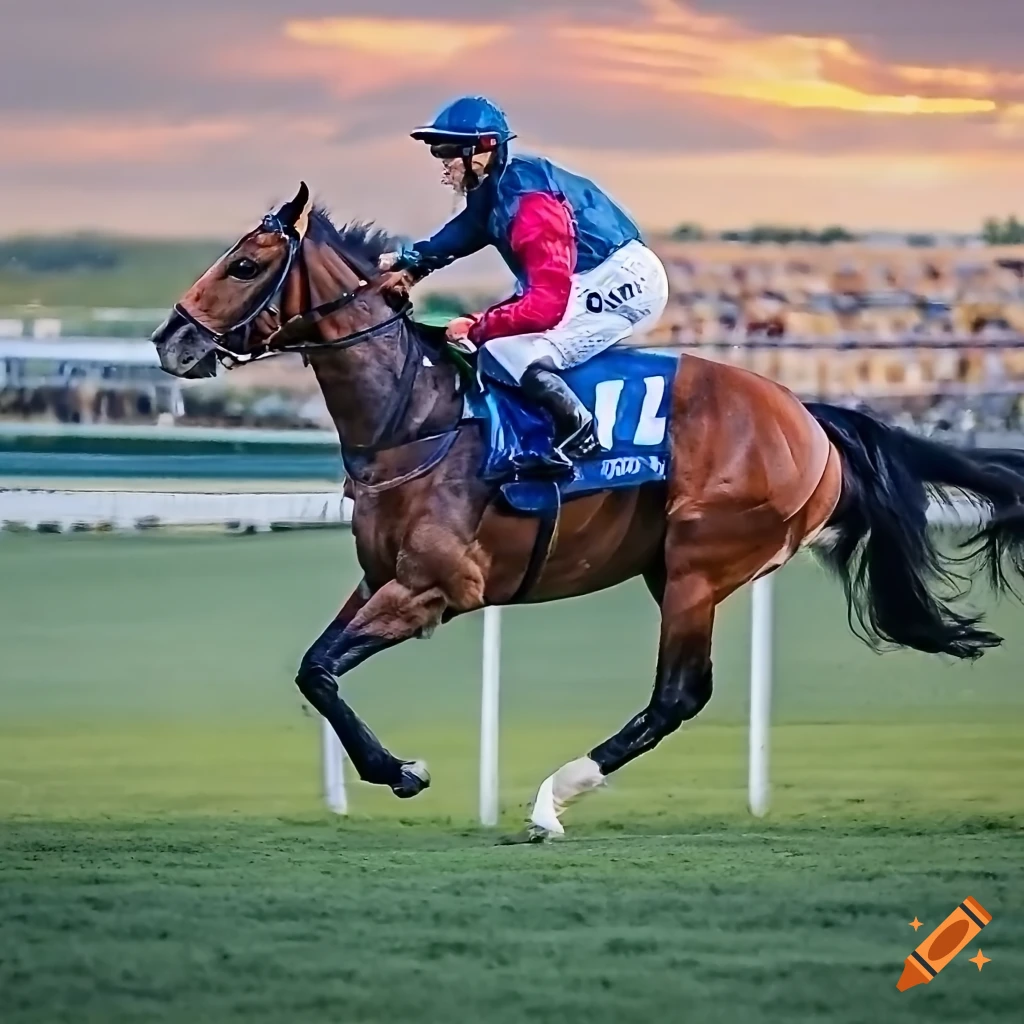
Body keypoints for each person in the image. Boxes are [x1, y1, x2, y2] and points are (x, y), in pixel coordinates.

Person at [380, 96, 669, 467]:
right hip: (588, 277)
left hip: (622, 283)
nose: (443, 161)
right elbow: (466, 231)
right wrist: (412, 262)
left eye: (449, 150)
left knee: (508, 350)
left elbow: (547, 307)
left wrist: (477, 326)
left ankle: (577, 435)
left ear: (483, 149)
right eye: (438, 150)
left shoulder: (532, 207)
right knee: (492, 345)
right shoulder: (496, 185)